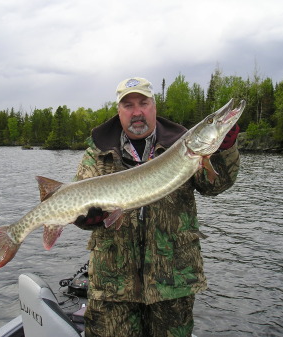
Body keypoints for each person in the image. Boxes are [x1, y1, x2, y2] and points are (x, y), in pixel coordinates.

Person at [74, 77, 240, 337]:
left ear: (154, 106)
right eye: (128, 105)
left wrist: (223, 150)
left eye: (143, 102)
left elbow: (214, 186)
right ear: (119, 111)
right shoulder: (98, 152)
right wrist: (85, 219)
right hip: (113, 285)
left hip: (173, 281)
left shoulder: (183, 145)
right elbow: (78, 204)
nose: (137, 111)